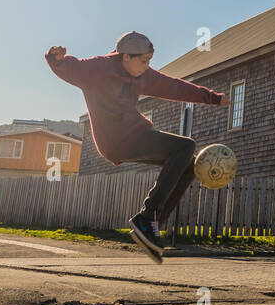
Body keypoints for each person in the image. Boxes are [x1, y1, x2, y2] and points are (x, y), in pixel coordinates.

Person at [44, 31, 231, 262]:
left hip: (136, 134)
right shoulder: (98, 69)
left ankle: (151, 228)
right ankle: (147, 217)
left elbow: (173, 87)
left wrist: (211, 97)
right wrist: (57, 60)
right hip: (116, 140)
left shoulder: (144, 75)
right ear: (125, 57)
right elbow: (71, 67)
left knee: (188, 164)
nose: (146, 66)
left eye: (149, 61)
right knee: (186, 146)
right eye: (143, 61)